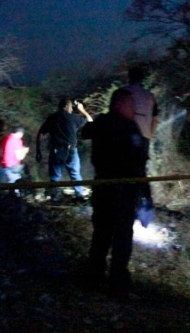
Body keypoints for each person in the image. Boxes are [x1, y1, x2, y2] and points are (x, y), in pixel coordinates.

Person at [81, 88, 149, 298]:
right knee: (121, 238)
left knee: (101, 235)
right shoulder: (128, 127)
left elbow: (85, 133)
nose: (134, 110)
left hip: (103, 188)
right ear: (120, 104)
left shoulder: (102, 123)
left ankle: (94, 278)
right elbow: (138, 163)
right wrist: (146, 194)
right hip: (122, 191)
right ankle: (117, 284)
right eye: (131, 105)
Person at [36, 98, 93, 201]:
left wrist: (38, 150)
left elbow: (41, 133)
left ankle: (53, 197)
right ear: (66, 106)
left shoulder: (52, 118)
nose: (72, 109)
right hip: (71, 151)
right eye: (71, 107)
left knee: (55, 176)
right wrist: (82, 109)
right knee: (75, 174)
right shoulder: (74, 118)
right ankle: (79, 195)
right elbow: (90, 121)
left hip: (56, 150)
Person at [122, 65, 159, 210]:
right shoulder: (150, 96)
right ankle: (145, 201)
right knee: (140, 170)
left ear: (129, 77)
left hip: (124, 137)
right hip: (144, 136)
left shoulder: (123, 92)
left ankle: (128, 202)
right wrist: (149, 135)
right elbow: (155, 118)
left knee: (125, 169)